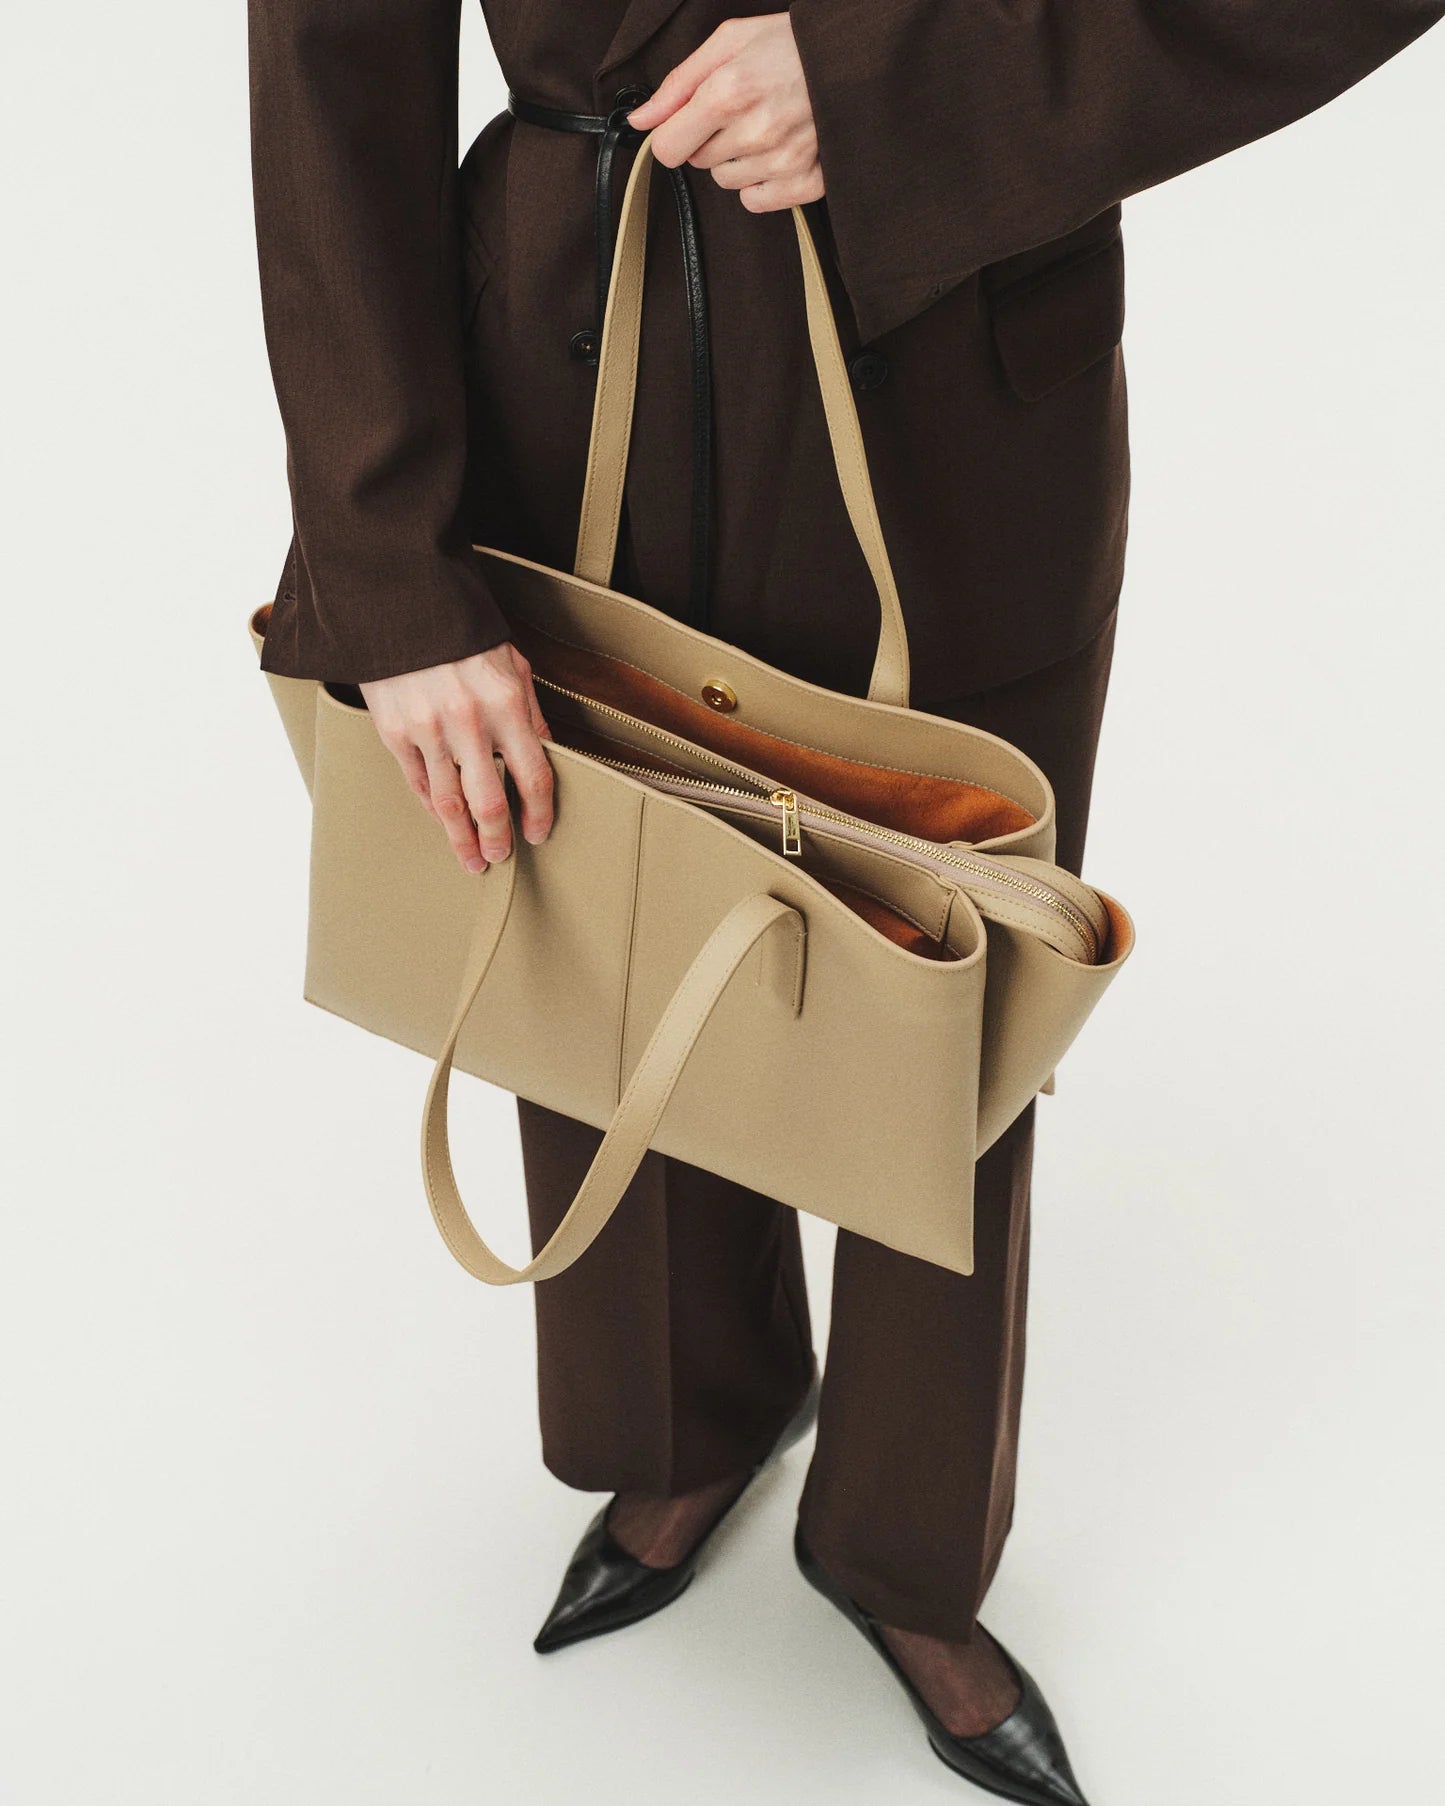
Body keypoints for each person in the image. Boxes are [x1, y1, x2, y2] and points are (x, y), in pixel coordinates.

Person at [248, 5, 1441, 1798]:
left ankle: (903, 1552)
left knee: (951, 992)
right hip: (559, 349)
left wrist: (901, 82)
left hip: (952, 371)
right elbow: (331, 58)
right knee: (589, 928)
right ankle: (684, 1419)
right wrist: (388, 573)